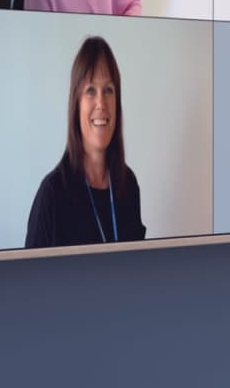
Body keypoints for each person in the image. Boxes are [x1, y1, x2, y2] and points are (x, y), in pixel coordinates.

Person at [25, 36, 146, 247]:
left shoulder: (129, 185)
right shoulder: (52, 195)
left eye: (108, 90)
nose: (101, 103)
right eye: (91, 91)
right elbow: (29, 279)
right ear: (76, 104)